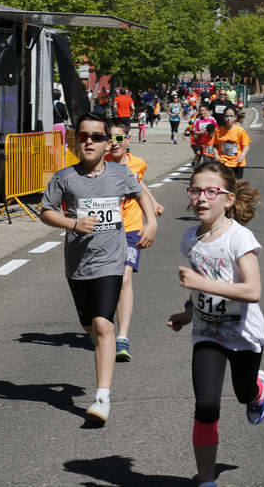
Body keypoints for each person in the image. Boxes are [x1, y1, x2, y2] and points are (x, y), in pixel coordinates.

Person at [40, 113, 158, 425]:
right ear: (74, 141)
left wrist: (152, 221)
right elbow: (46, 212)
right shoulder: (64, 178)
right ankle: (101, 351)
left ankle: (102, 397)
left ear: (107, 143)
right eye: (83, 136)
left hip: (112, 260)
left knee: (104, 325)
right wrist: (73, 223)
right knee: (89, 327)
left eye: (96, 136)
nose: (89, 141)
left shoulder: (120, 173)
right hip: (78, 264)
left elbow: (140, 194)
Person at [167, 161, 264, 487]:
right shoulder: (191, 239)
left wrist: (203, 284)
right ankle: (207, 480)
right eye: (195, 190)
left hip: (243, 334)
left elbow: (252, 291)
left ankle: (258, 389)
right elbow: (200, 287)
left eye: (211, 191)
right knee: (207, 404)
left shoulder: (240, 238)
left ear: (227, 199)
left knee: (242, 394)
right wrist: (187, 312)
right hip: (208, 333)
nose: (201, 198)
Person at [104, 120, 165, 362]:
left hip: (131, 228)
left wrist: (152, 203)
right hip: (107, 228)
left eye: (119, 139)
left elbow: (138, 182)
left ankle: (123, 337)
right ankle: (103, 324)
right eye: (110, 139)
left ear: (127, 140)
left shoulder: (138, 163)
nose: (114, 144)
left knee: (125, 276)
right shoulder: (102, 164)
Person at [214, 107, 251, 179]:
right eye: (227, 116)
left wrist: (242, 156)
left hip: (237, 163)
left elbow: (246, 145)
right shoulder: (218, 131)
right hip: (224, 162)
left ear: (235, 118)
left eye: (231, 116)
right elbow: (215, 145)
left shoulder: (240, 131)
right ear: (223, 117)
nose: (229, 118)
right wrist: (216, 155)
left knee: (236, 185)